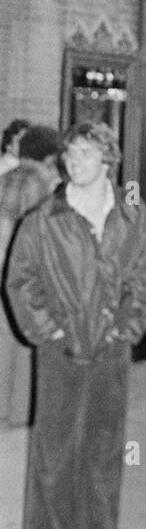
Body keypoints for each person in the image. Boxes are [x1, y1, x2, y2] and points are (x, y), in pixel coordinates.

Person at [5, 122, 146, 529]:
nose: (74, 162)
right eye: (70, 155)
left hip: (111, 352)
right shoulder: (45, 219)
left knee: (105, 449)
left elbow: (144, 278)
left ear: (108, 160)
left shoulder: (133, 216)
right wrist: (50, 332)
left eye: (85, 154)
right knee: (56, 453)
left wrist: (125, 330)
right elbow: (21, 282)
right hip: (61, 354)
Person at [0, 125, 62, 426]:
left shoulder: (4, 179)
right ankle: (23, 411)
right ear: (50, 156)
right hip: (27, 270)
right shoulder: (46, 184)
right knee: (27, 340)